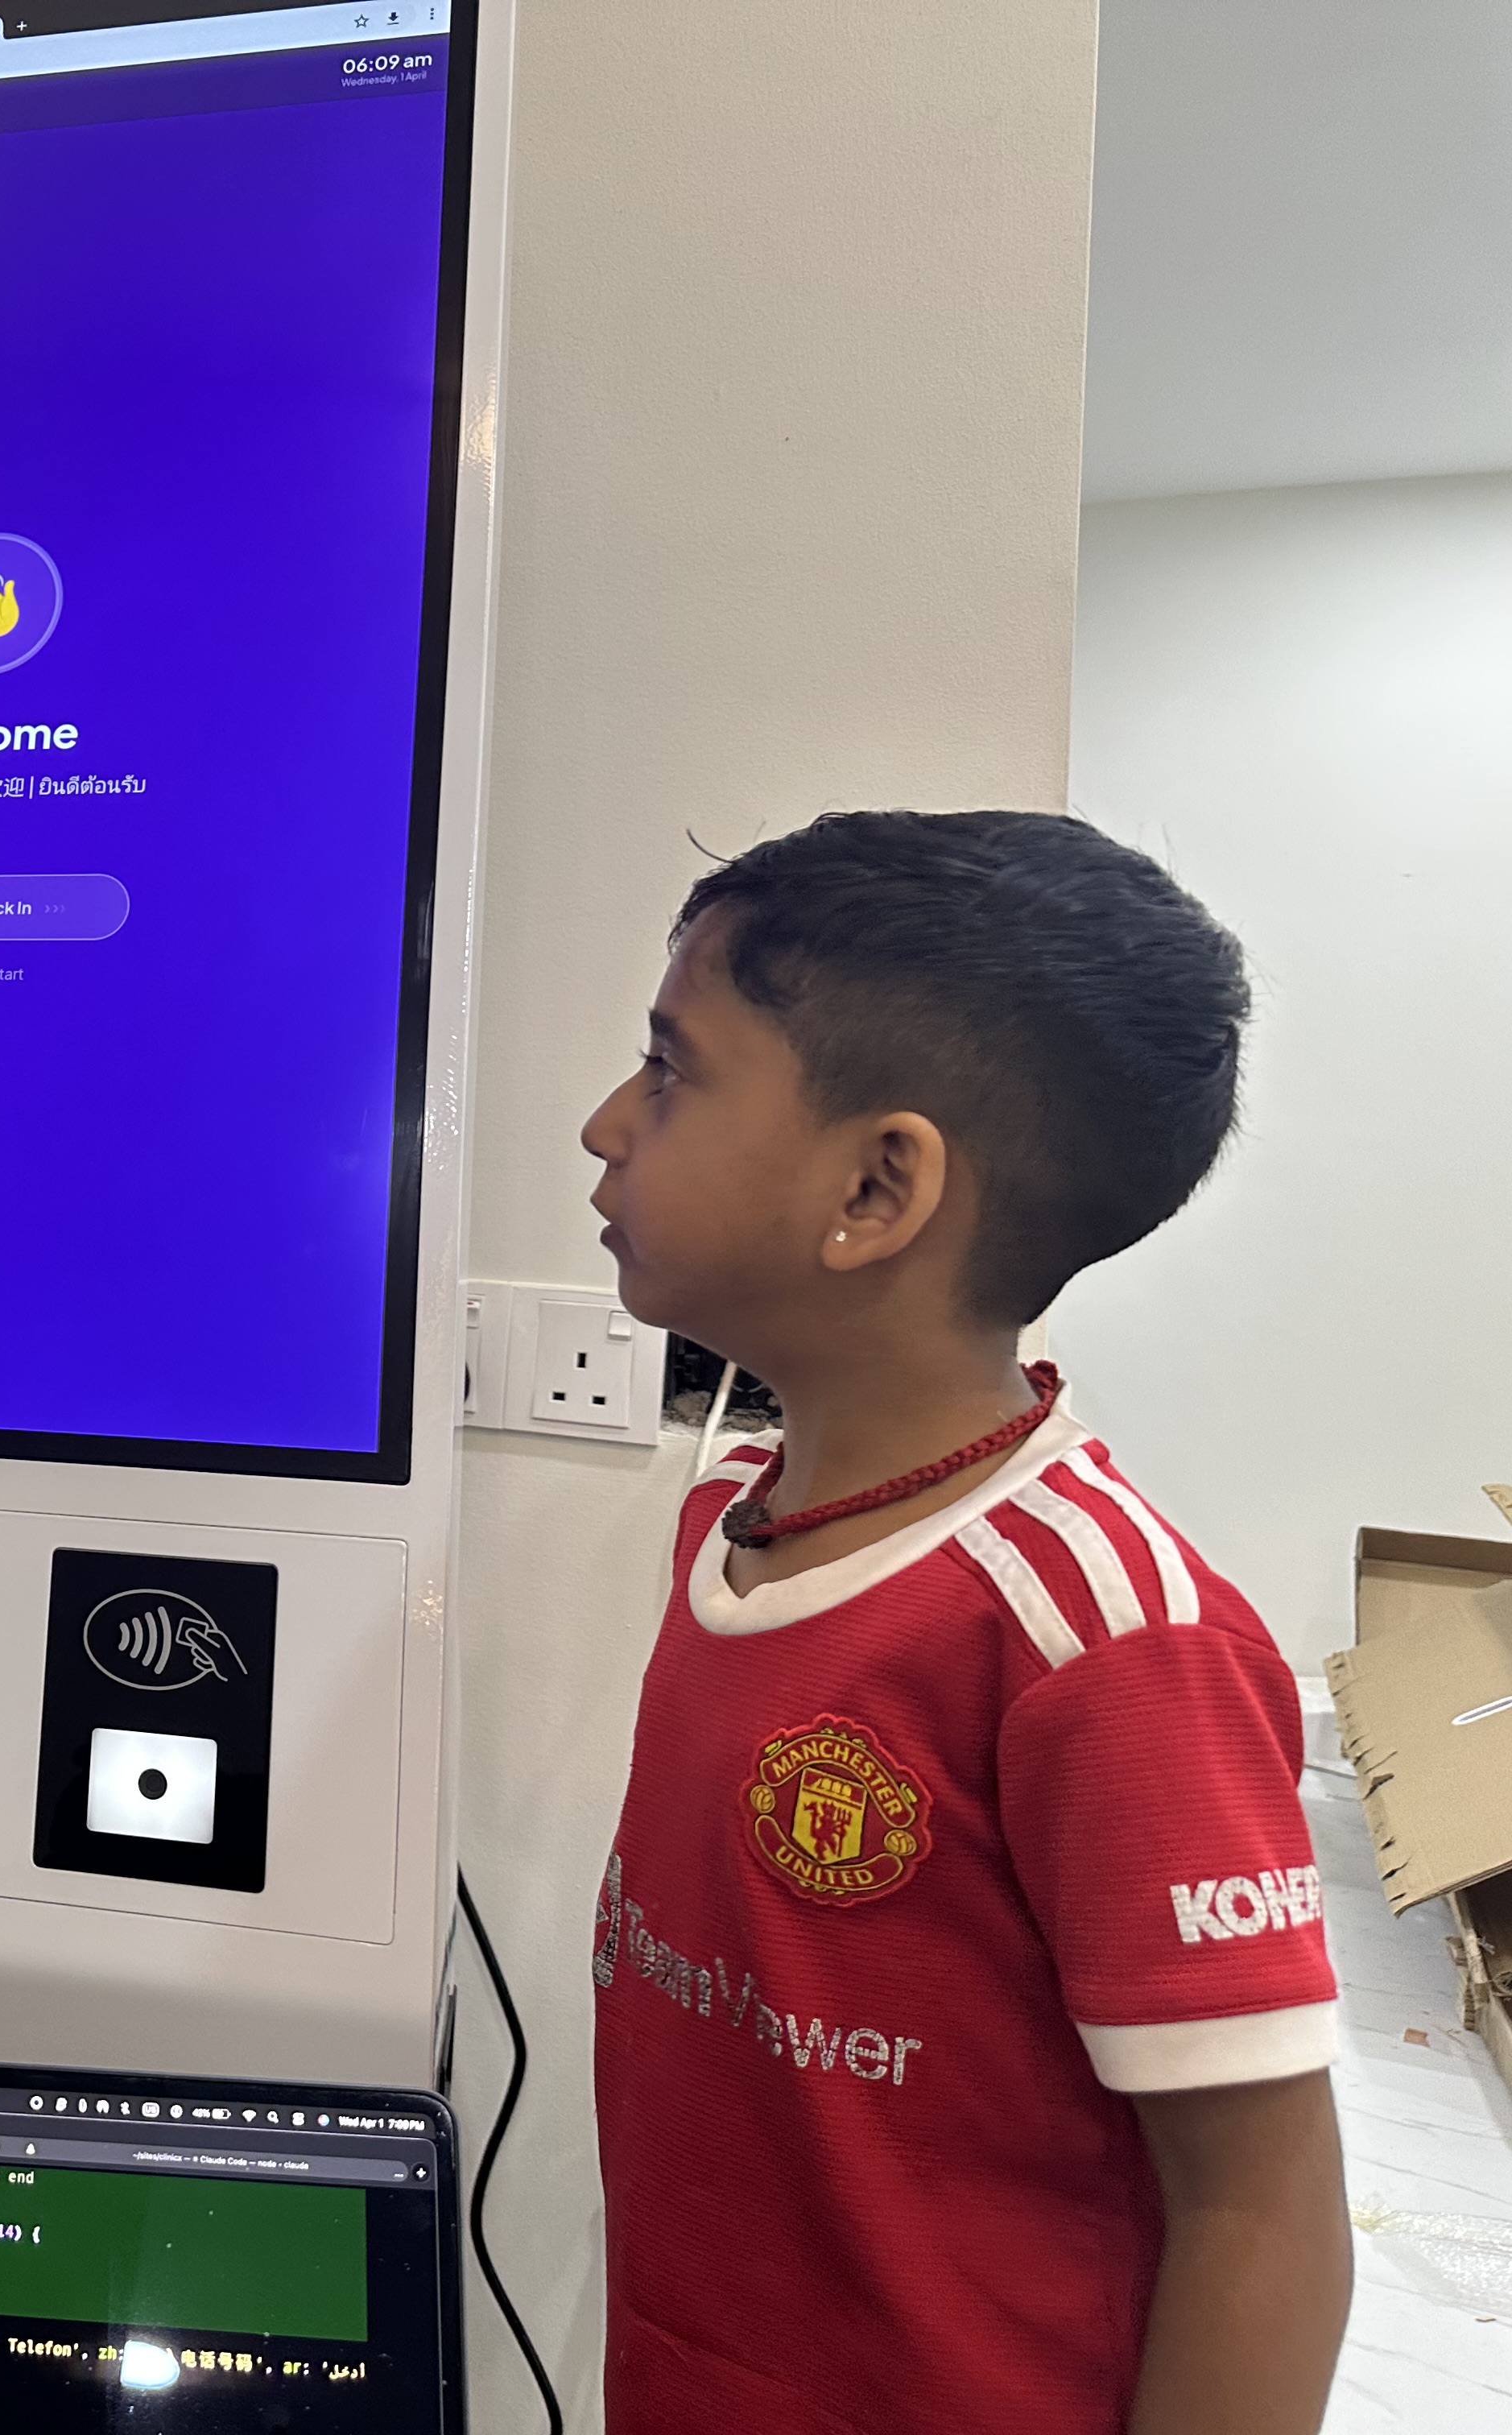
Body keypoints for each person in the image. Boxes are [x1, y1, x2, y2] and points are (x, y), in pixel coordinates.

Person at [580, 810, 1348, 2435]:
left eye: (668, 1071)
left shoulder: (1110, 1646)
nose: (605, 1125)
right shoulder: (733, 1522)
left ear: (876, 1186)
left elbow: (1262, 2211)